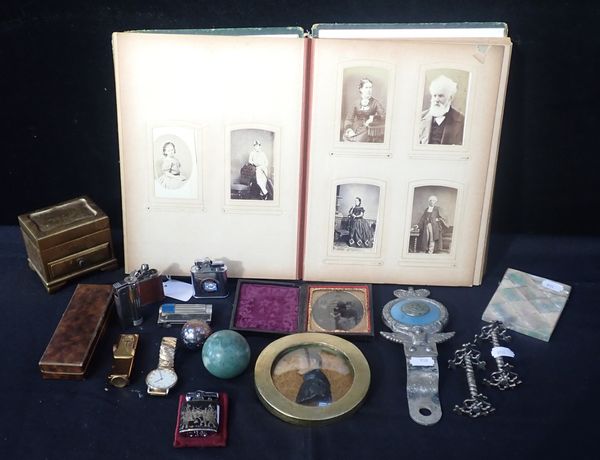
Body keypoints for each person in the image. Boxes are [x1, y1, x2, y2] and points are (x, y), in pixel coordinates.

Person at [419, 75, 465, 145]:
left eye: (440, 96)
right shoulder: (420, 117)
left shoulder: (461, 120)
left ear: (450, 98)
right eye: (434, 96)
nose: (436, 100)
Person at [342, 78, 385, 143]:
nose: (369, 90)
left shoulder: (375, 103)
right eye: (366, 88)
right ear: (361, 89)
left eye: (370, 88)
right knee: (345, 137)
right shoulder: (356, 103)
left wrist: (373, 118)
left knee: (359, 140)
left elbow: (384, 116)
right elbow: (349, 118)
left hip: (368, 128)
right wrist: (349, 129)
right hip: (355, 127)